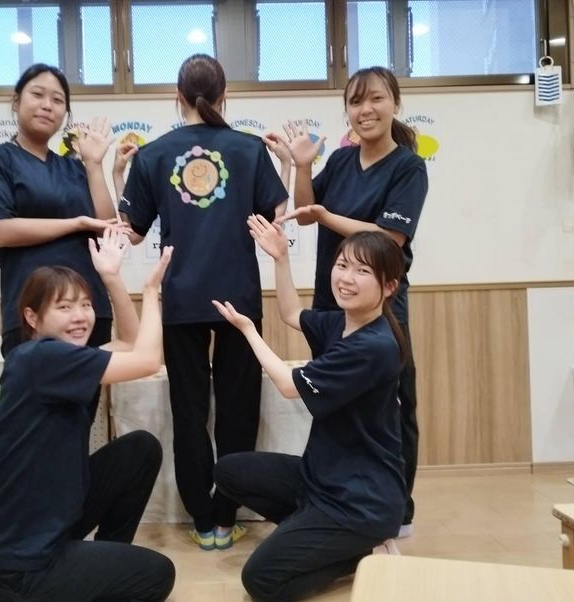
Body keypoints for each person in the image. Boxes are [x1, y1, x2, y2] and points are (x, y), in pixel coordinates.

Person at [118, 54, 288, 550]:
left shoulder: (153, 155)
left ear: (177, 96)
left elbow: (129, 232)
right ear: (224, 96)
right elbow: (276, 219)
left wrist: (113, 172)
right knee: (239, 408)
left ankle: (203, 521)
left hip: (180, 298)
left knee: (188, 410)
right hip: (239, 297)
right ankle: (227, 516)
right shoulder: (249, 149)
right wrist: (290, 164)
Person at [0, 228, 176, 602]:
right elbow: (147, 360)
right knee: (156, 576)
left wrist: (111, 278)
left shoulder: (46, 359)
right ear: (32, 317)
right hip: (17, 568)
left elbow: (129, 342)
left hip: (41, 529)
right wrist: (150, 292)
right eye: (64, 308)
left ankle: (103, 564)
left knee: (139, 450)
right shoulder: (44, 358)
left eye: (85, 305)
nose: (80, 316)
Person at [212, 218, 407, 601]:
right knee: (229, 471)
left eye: (362, 271)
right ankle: (321, 535)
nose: (346, 278)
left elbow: (288, 386)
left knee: (261, 580)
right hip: (322, 477)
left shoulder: (373, 346)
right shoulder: (343, 323)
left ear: (389, 287)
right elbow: (291, 313)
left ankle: (362, 553)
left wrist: (248, 330)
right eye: (343, 265)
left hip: (361, 500)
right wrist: (280, 258)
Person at [280, 66, 428, 536]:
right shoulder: (342, 161)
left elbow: (389, 238)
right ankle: (337, 497)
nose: (366, 110)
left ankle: (396, 509)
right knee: (334, 405)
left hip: (382, 310)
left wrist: (328, 216)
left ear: (395, 104)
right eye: (356, 101)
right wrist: (303, 168)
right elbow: (306, 215)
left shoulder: (408, 166)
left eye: (376, 99)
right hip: (332, 304)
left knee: (393, 408)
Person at [0, 63, 126, 357]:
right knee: (35, 388)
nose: (47, 106)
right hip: (33, 311)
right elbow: (0, 231)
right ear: (16, 102)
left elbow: (106, 229)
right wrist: (75, 223)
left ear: (65, 113)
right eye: (38, 95)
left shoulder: (74, 168)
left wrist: (93, 165)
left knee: (87, 388)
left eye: (57, 100)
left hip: (89, 309)